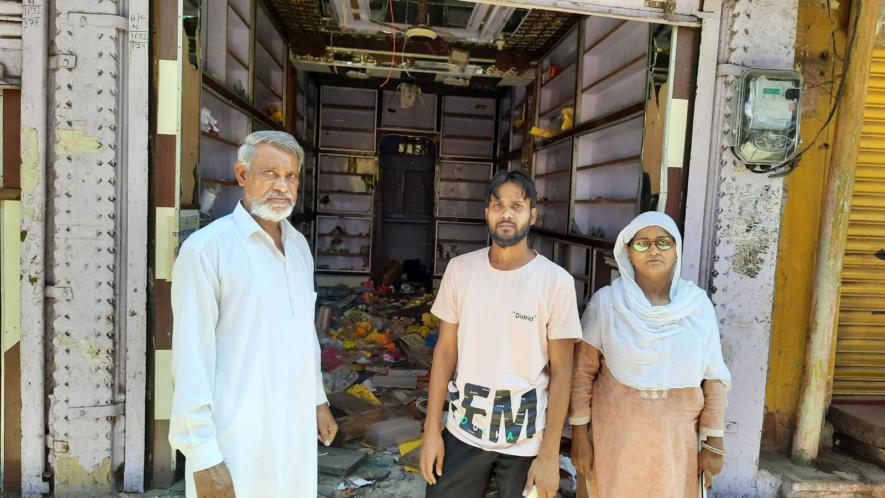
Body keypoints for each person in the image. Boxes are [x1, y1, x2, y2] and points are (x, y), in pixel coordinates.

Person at [169, 131, 338, 498]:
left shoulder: (298, 247)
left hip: (292, 432)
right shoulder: (206, 251)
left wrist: (317, 401)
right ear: (242, 175)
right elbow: (190, 358)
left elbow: (303, 334)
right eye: (269, 174)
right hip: (234, 439)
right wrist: (202, 456)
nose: (282, 186)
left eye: (290, 176)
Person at [420, 171, 582, 498]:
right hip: (464, 432)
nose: (506, 213)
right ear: (487, 213)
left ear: (532, 215)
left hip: (526, 442)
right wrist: (431, 432)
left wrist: (549, 455)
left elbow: (563, 371)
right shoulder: (461, 270)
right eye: (497, 205)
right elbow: (445, 352)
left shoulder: (555, 282)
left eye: (517, 205)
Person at [569, 211, 731, 498]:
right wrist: (580, 437)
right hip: (615, 443)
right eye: (642, 243)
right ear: (628, 252)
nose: (653, 249)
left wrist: (714, 442)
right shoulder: (606, 304)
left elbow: (714, 377)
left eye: (663, 242)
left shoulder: (697, 305)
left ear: (676, 250)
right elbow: (581, 375)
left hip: (676, 447)